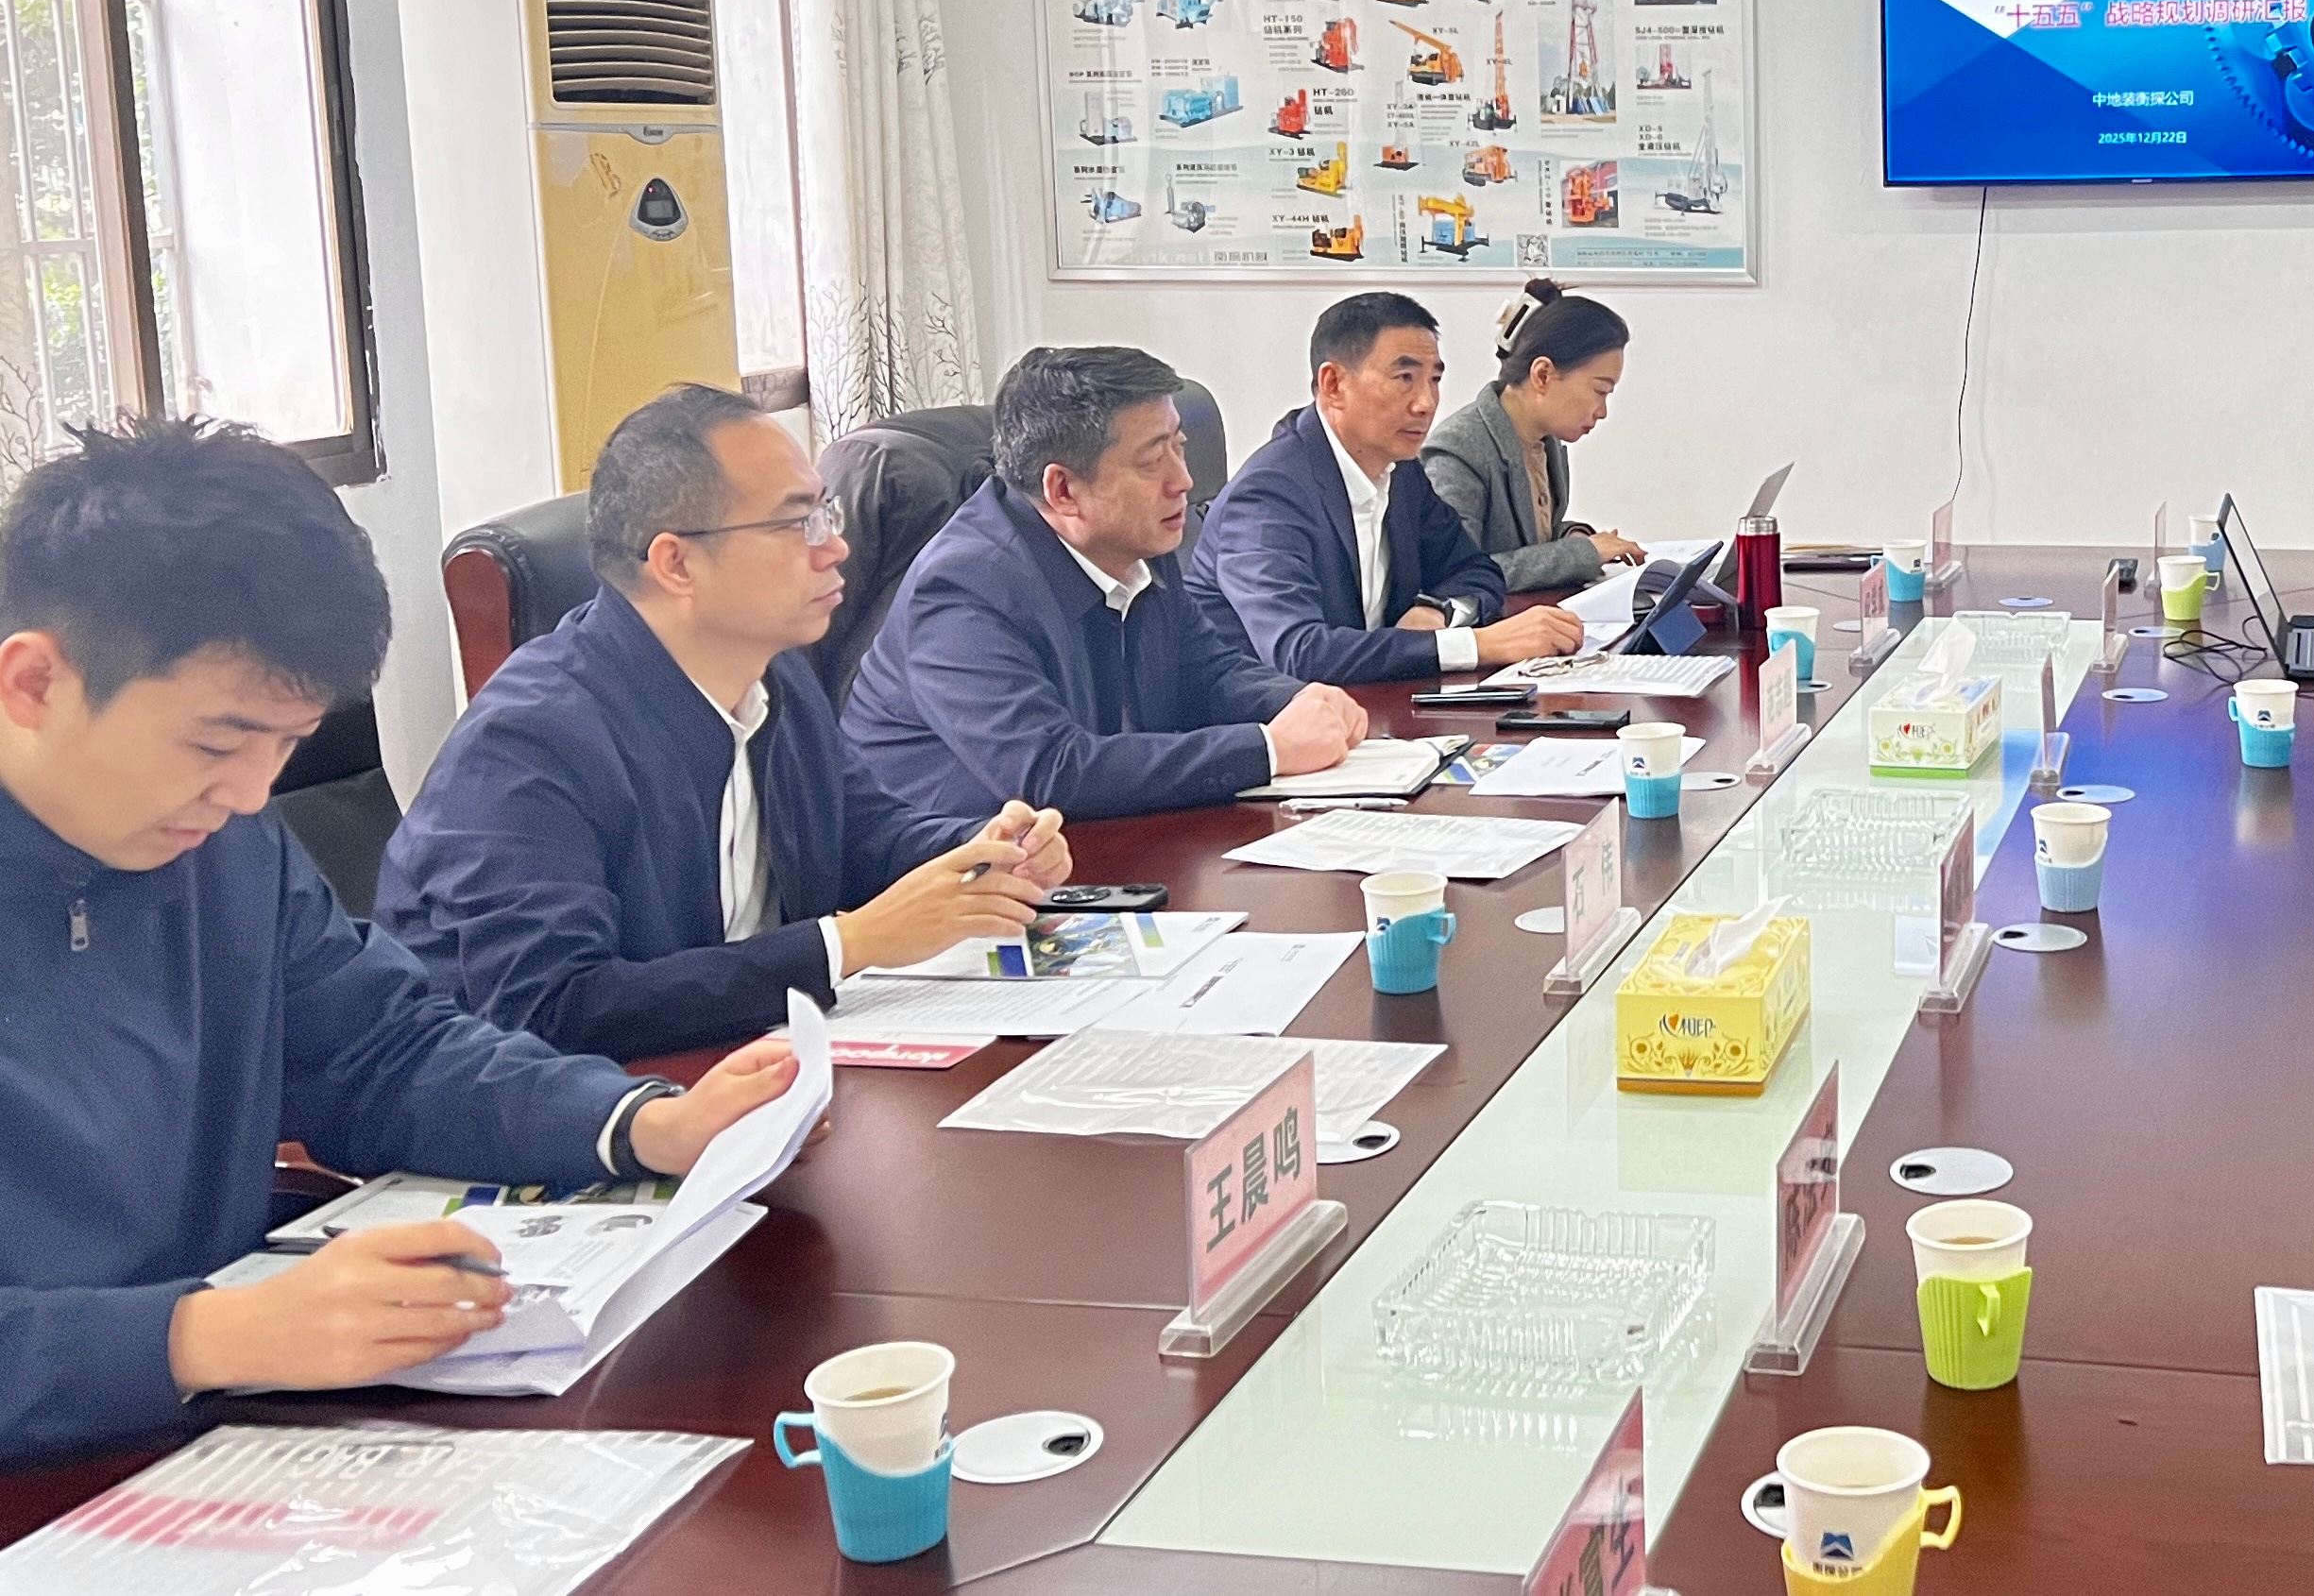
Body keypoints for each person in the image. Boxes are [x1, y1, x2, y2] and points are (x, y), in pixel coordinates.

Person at [1, 419, 798, 1469]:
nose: (251, 795)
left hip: (224, 1438)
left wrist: (638, 1125)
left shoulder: (222, 842)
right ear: (34, 684)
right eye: (217, 742)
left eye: (286, 748)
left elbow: (381, 1051)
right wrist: (204, 1335)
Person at [382, 385, 1074, 1060]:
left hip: (745, 1062)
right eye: (796, 523)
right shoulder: (528, 741)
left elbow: (861, 836)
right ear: (676, 563)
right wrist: (849, 944)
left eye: (826, 513)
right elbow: (556, 1008)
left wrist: (978, 850)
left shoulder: (774, 673)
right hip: (567, 1107)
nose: (834, 547)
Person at [843, 346, 1370, 818]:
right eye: (1153, 460)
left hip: (1090, 841)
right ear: (1063, 490)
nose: (1184, 481)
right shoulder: (963, 589)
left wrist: (1298, 700)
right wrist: (1268, 749)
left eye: (1180, 447)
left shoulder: (1135, 541)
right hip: (953, 866)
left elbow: (1207, 673)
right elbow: (1050, 770)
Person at [1193, 291, 1585, 683]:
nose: (1426, 403)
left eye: (1434, 380)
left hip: (1373, 696)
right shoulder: (1267, 496)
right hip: (1270, 712)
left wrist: (1437, 611)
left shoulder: (1401, 472)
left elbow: (1476, 570)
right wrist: (1475, 645)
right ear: (1333, 384)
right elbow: (1301, 652)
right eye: (1404, 379)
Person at [1424, 281, 1646, 595]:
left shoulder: (1544, 440)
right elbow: (1457, 573)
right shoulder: (1457, 452)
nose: (1602, 411)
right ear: (1543, 375)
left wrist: (1573, 537)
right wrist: (1582, 554)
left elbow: (1529, 540)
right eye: (1600, 391)